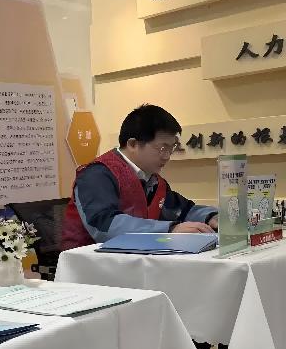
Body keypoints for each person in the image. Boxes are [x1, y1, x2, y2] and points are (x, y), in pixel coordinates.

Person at [62, 104, 218, 250]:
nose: (167, 156)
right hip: (89, 261)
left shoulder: (153, 180)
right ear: (132, 144)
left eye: (172, 148)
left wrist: (212, 217)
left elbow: (181, 209)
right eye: (162, 148)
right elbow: (104, 225)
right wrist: (171, 229)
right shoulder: (97, 174)